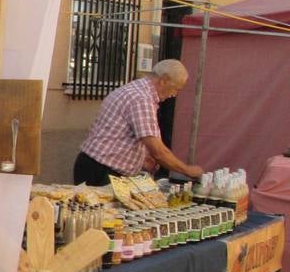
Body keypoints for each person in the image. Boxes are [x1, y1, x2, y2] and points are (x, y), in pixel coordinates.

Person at [73, 58, 204, 186]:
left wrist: (141, 159)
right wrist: (187, 170)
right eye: (176, 89)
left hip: (97, 166)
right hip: (101, 170)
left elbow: (123, 135)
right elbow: (158, 151)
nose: (174, 94)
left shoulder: (137, 90)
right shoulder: (141, 99)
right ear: (164, 80)